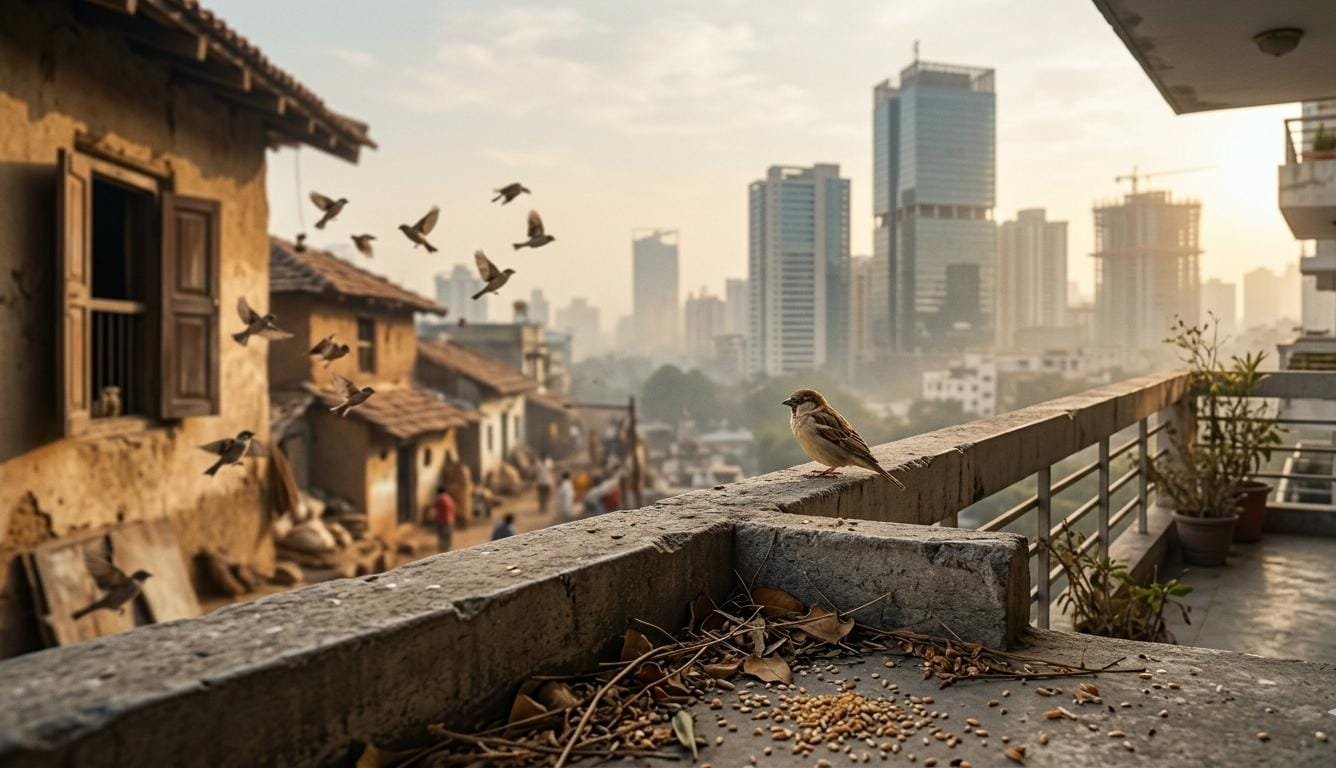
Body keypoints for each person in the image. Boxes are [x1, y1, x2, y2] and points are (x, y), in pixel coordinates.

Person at [433, 486, 456, 551]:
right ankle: (449, 551)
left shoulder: (439, 498)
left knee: (442, 539)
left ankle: (443, 552)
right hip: (450, 520)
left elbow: (437, 509)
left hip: (443, 521)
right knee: (448, 539)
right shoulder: (449, 498)